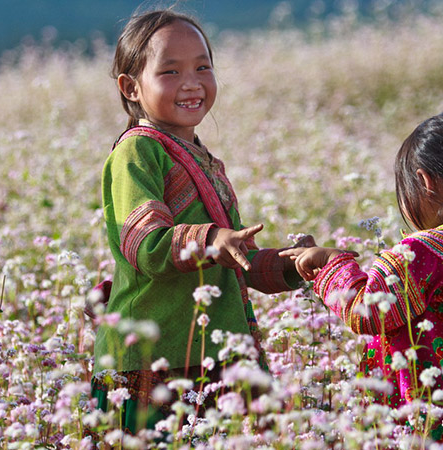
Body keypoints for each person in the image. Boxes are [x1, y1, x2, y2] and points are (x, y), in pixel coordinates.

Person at [93, 8, 302, 433]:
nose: (191, 82)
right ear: (131, 87)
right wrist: (211, 240)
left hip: (214, 358)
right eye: (170, 71)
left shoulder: (203, 158)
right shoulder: (137, 152)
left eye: (202, 66)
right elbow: (145, 244)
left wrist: (295, 263)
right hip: (155, 363)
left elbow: (238, 259)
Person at [280, 110, 443, 442]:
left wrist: (331, 262)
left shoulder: (422, 252)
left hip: (406, 425)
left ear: (427, 183)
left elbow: (366, 311)